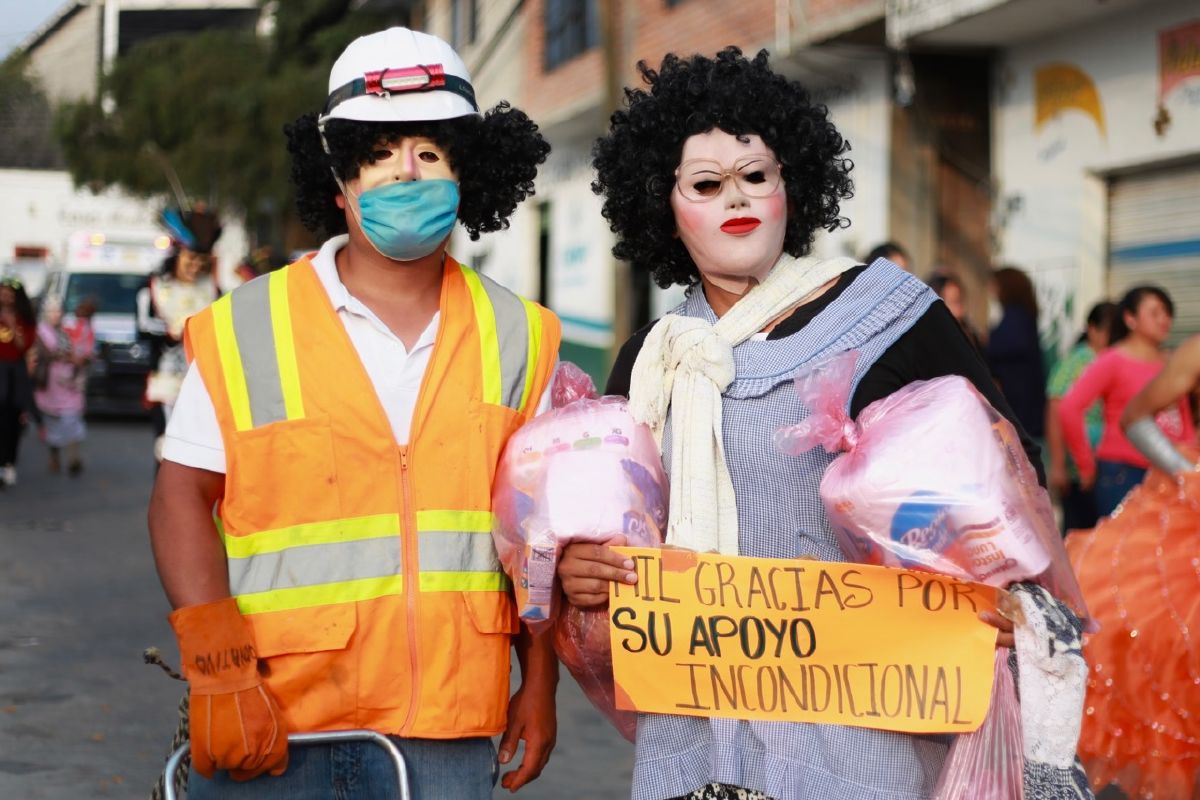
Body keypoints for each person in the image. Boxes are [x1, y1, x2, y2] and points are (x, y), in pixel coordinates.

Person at [558, 47, 1053, 800]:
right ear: (664, 203)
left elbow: (1012, 473)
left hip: (861, 740)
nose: (737, 199)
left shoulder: (889, 315)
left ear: (794, 183)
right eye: (707, 183)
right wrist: (582, 571)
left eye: (756, 176)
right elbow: (623, 536)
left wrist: (1000, 585)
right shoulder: (650, 363)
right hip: (698, 744)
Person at [147, 27, 560, 799]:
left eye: (430, 154)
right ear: (338, 182)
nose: (408, 173)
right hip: (271, 720)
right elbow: (180, 494)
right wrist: (216, 667)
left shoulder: (524, 337)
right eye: (380, 154)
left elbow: (538, 534)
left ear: (468, 173)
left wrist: (541, 683)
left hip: (448, 729)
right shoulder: (246, 326)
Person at [1066, 332, 1200, 798]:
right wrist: (1189, 474)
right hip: (1188, 517)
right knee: (1166, 644)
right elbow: (1135, 417)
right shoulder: (1196, 351)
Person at [1059, 285, 1192, 516]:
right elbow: (1069, 407)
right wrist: (1085, 465)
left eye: (1167, 313)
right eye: (1155, 313)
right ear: (1130, 318)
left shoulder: (1171, 361)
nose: (1164, 320)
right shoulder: (1112, 360)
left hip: (1170, 473)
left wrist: (1190, 462)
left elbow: (1182, 416)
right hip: (1123, 474)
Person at [137, 203, 222, 462]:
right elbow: (142, 327)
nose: (195, 267)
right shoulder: (153, 287)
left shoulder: (213, 289)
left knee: (197, 454)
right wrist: (171, 333)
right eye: (190, 260)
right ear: (177, 256)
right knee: (166, 450)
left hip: (203, 382)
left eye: (201, 261)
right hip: (166, 381)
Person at [1043, 301, 1118, 532]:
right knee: (1080, 532)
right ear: (1092, 330)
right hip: (1078, 469)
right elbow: (1056, 411)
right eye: (1107, 331)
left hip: (1106, 466)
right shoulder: (1076, 363)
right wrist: (1057, 465)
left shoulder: (1113, 359)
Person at [32, 297, 95, 475]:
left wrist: (79, 359)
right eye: (51, 311)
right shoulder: (41, 332)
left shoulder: (69, 329)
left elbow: (85, 350)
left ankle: (74, 457)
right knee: (52, 421)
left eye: (58, 311)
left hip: (70, 384)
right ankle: (55, 456)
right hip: (50, 384)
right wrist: (67, 357)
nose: (55, 315)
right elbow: (43, 354)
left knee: (73, 419)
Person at [984, 266, 1046, 440]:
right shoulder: (1023, 315)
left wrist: (987, 343)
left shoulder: (1016, 316)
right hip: (1025, 400)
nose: (991, 290)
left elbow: (1010, 346)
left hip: (1019, 400)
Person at [0, 277, 38, 488]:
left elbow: (25, 346)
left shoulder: (24, 318)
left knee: (12, 420)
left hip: (15, 372)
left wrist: (13, 325)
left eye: (9, 293)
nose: (5, 297)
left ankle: (9, 463)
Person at [928, 272, 982, 350]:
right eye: (953, 302)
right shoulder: (932, 340)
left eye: (961, 301)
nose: (960, 312)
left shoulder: (969, 333)